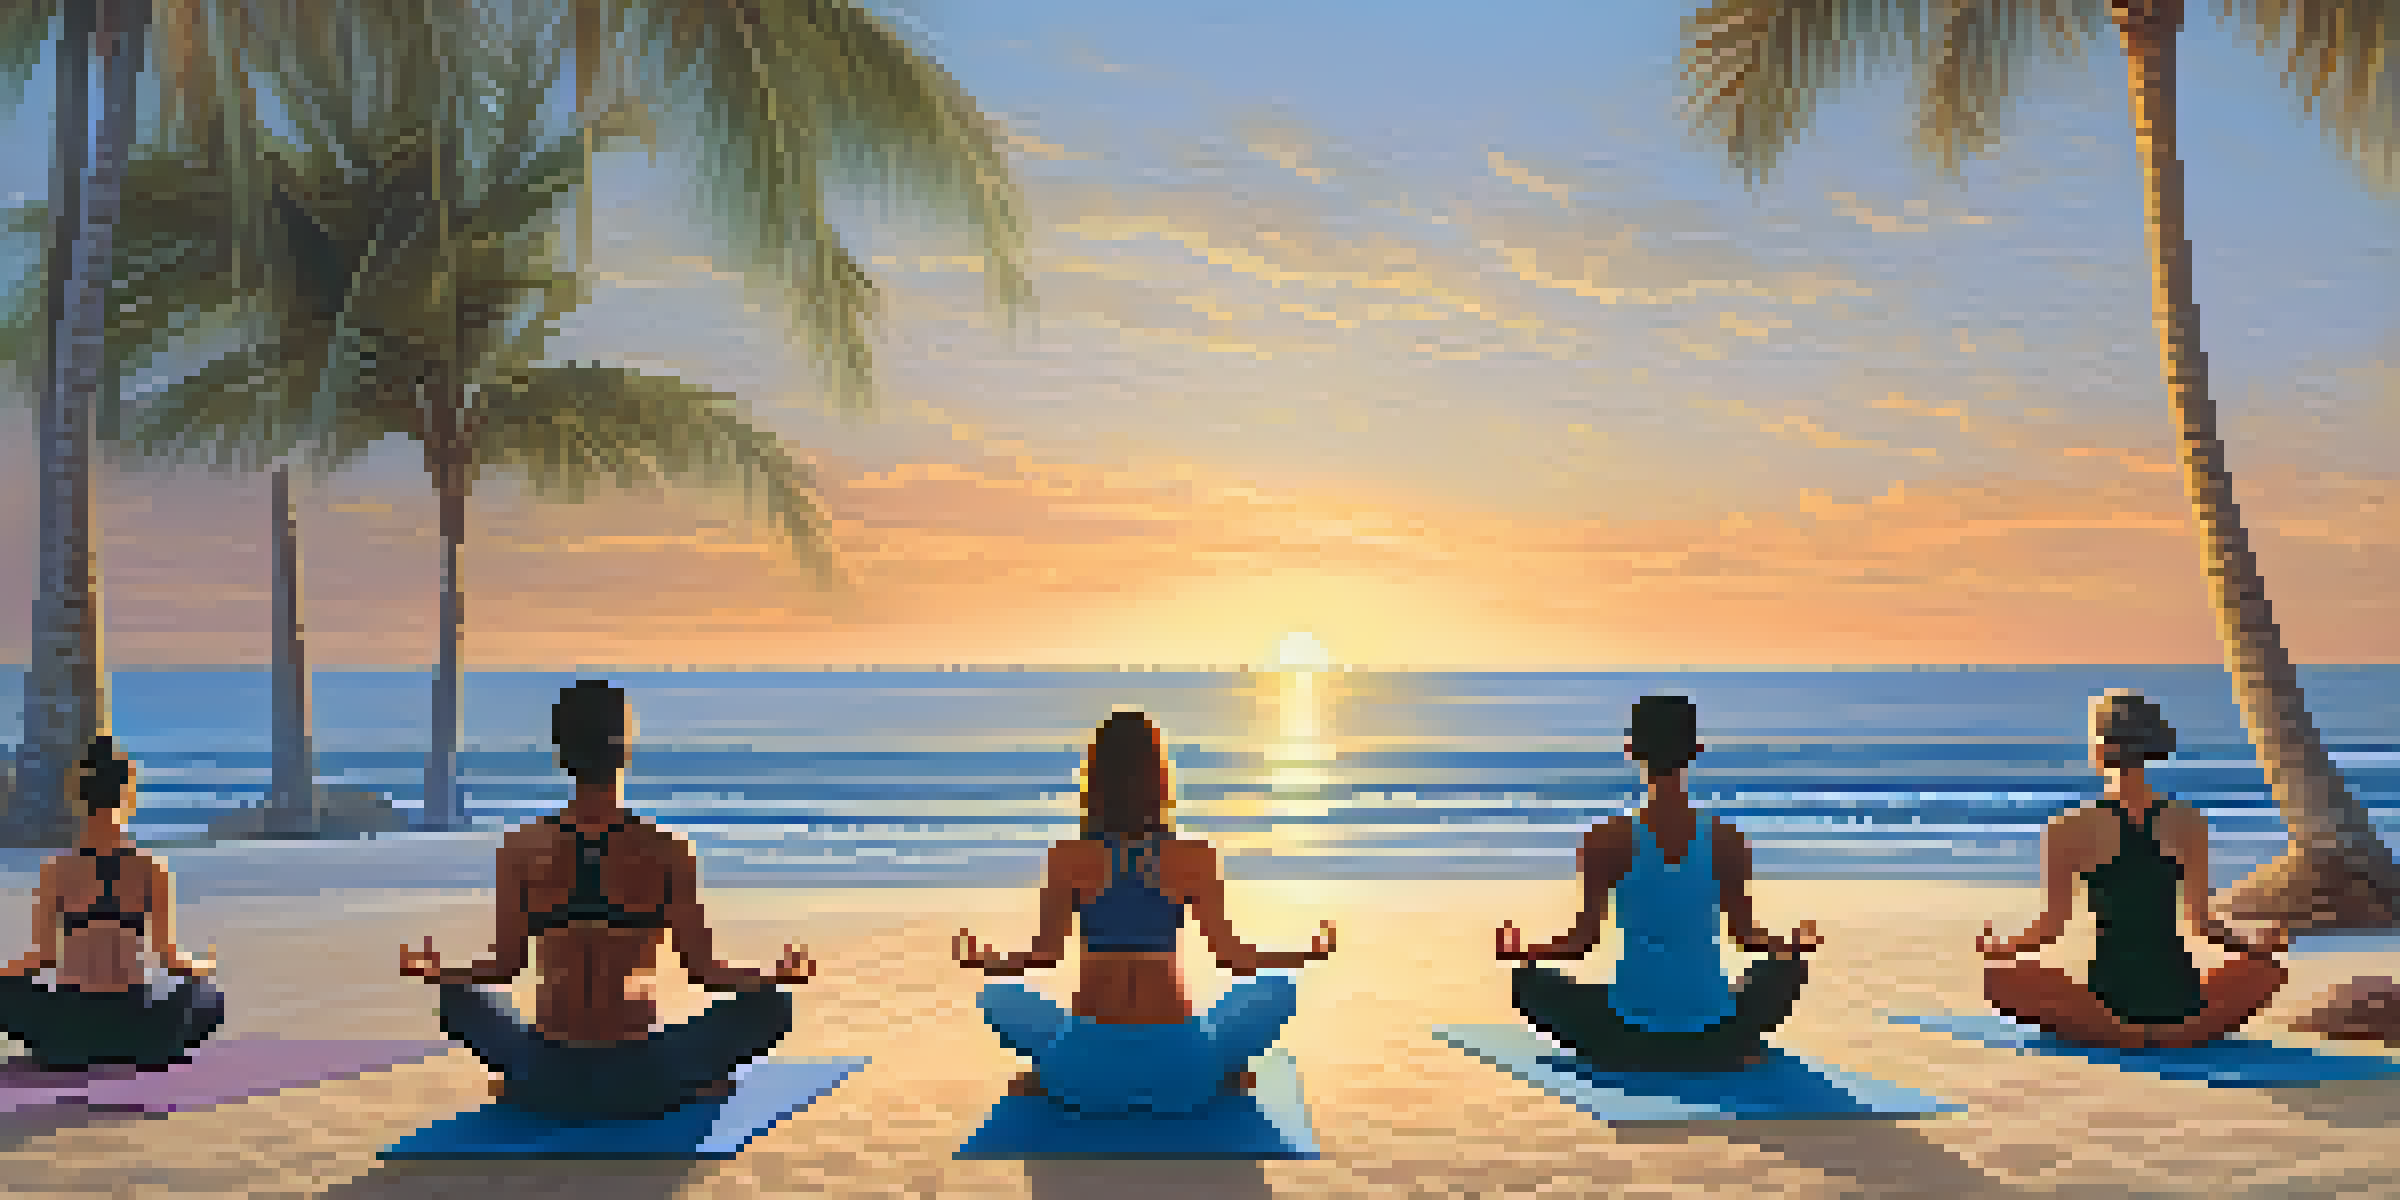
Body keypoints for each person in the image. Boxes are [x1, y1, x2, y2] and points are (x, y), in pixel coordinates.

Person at [399, 680, 814, 1118]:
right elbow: (706, 973)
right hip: (641, 1076)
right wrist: (773, 975)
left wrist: (442, 972)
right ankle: (683, 1085)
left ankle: (527, 1085)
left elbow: (505, 966)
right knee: (772, 1005)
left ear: (561, 754)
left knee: (458, 997)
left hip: (547, 1072)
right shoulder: (665, 849)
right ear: (626, 753)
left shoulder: (522, 848)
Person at [954, 710, 1337, 1115]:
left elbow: (1044, 955)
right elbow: (1233, 958)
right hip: (1180, 1075)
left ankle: (1053, 1074)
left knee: (996, 995)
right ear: (1160, 778)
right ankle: (1218, 1073)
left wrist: (988, 961)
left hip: (1086, 1078)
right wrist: (1305, 955)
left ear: (1094, 780)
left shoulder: (1069, 856)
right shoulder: (1193, 857)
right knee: (1278, 989)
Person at [1497, 695, 1821, 1072]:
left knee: (1529, 982)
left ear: (1630, 749)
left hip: (1628, 1033)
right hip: (1714, 1029)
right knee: (1786, 970)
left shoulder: (1606, 838)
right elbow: (1746, 936)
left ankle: (1621, 1051)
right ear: (1695, 750)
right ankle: (1729, 1045)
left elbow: (1581, 942)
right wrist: (1791, 945)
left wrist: (1523, 951)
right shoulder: (1726, 838)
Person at [1978, 688, 2288, 1049]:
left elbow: (2050, 928)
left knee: (1999, 978)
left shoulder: (2068, 828)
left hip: (2111, 997)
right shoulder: (2188, 822)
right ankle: (2173, 1030)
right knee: (2266, 970)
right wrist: (2253, 945)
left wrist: (2005, 947)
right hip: (2177, 997)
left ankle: (2120, 1032)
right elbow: (2202, 925)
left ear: (2099, 749)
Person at [0, 736, 224, 1069]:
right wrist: (204, 967)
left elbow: (44, 957)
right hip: (138, 1030)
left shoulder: (58, 869)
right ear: (128, 795)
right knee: (208, 995)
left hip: (69, 1034)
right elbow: (169, 957)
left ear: (79, 797)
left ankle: (73, 1051)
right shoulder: (150, 868)